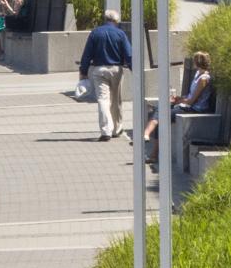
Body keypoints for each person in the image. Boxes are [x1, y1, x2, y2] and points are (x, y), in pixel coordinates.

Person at [142, 51, 213, 165]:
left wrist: (179, 100)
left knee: (162, 114)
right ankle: (149, 142)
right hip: (187, 105)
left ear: (196, 63)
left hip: (195, 108)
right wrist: (179, 98)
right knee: (160, 108)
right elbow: (189, 96)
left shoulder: (204, 79)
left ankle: (148, 137)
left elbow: (192, 101)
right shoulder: (197, 75)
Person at [78, 10, 133, 141]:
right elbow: (128, 54)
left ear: (105, 19)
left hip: (99, 69)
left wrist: (83, 71)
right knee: (116, 100)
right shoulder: (120, 34)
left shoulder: (95, 33)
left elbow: (87, 54)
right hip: (116, 69)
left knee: (103, 100)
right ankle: (117, 129)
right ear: (116, 21)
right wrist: (134, 69)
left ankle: (106, 131)